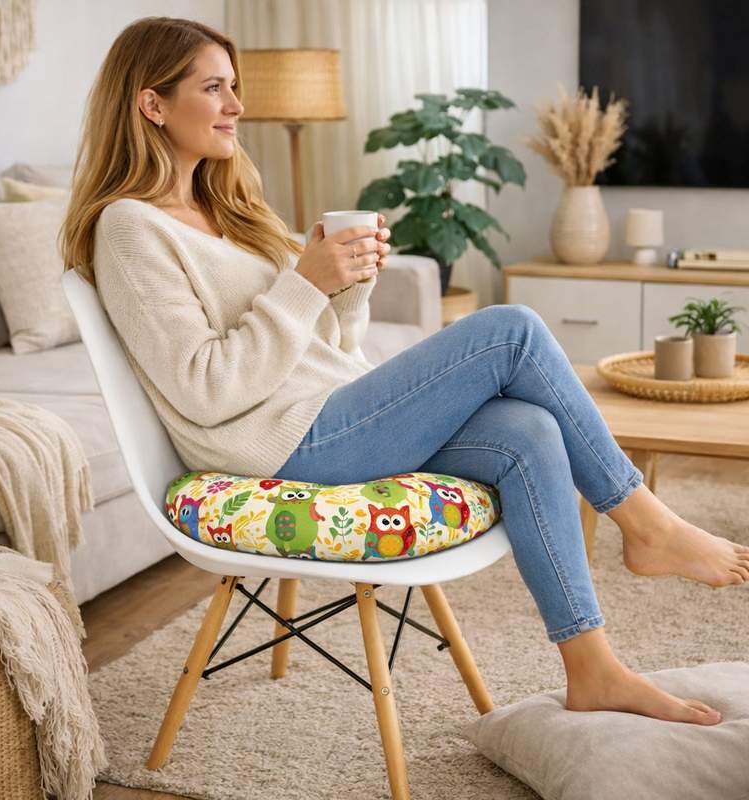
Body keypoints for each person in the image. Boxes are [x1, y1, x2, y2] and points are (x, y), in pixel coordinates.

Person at [60, 16, 748, 728]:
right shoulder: (130, 228)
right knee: (510, 330)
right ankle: (646, 522)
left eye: (235, 87)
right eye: (214, 87)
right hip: (275, 446)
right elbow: (206, 388)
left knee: (529, 430)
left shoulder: (229, 208)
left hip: (326, 415)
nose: (236, 104)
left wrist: (345, 286)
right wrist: (302, 283)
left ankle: (592, 667)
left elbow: (327, 344)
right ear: (152, 104)